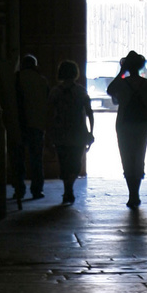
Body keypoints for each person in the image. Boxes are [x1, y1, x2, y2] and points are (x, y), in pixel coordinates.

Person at [107, 50, 147, 208]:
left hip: (124, 124)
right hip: (143, 124)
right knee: (139, 156)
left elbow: (110, 90)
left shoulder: (122, 84)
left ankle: (132, 193)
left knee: (127, 157)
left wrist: (121, 72)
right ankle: (135, 193)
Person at [47, 59, 94, 205]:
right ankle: (69, 189)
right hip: (78, 131)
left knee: (64, 162)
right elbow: (89, 112)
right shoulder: (80, 91)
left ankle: (67, 190)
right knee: (75, 163)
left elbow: (49, 113)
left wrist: (49, 133)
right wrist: (91, 131)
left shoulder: (55, 92)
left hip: (61, 132)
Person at [13, 55, 50, 200]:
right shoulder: (41, 80)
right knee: (36, 159)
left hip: (19, 124)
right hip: (37, 124)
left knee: (18, 159)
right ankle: (37, 190)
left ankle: (19, 189)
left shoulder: (16, 79)